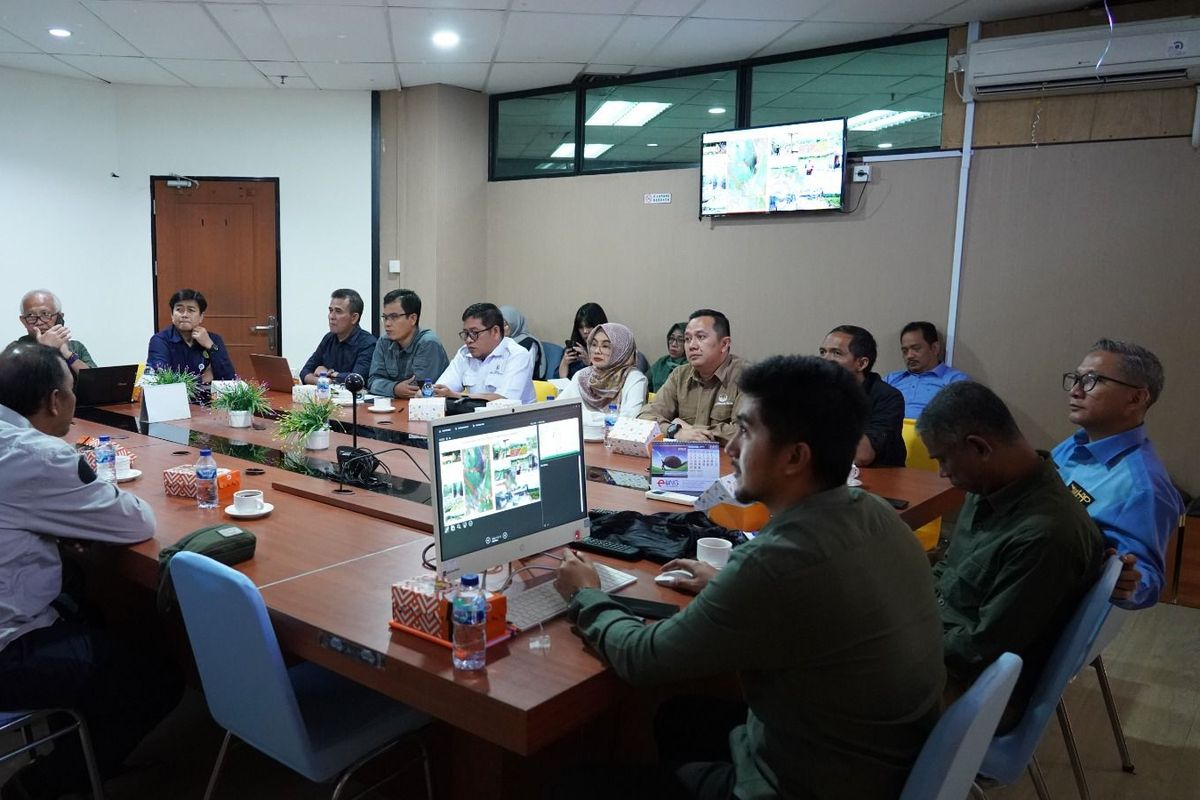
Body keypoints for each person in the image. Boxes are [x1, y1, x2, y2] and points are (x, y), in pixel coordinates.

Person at [553, 355, 945, 799]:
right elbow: (812, 602)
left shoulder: (776, 562)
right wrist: (725, 585)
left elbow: (642, 659)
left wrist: (587, 593)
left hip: (807, 782)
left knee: (570, 785)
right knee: (677, 718)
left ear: (795, 457)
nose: (732, 448)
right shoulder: (875, 514)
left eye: (746, 431)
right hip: (875, 762)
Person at [0, 342, 182, 796]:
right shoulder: (37, 455)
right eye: (71, 390)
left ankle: (80, 749)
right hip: (8, 652)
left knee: (88, 599)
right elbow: (135, 520)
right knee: (158, 678)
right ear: (56, 401)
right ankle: (43, 784)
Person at [919, 381, 1104, 727]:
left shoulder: (1047, 534)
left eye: (943, 459)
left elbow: (980, 650)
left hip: (975, 689)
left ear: (979, 448)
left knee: (819, 694)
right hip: (942, 644)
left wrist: (899, 638)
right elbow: (949, 572)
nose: (943, 473)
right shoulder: (989, 488)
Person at [1052, 339, 1185, 609]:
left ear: (1136, 398)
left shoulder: (1144, 487)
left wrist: (1127, 582)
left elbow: (1146, 578)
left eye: (1091, 380)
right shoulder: (1074, 445)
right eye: (1075, 379)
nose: (1075, 391)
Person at [639, 309, 742, 445]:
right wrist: (675, 430)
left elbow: (746, 433)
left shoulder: (747, 377)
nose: (692, 346)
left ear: (724, 344)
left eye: (701, 337)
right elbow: (645, 417)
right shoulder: (680, 374)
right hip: (684, 460)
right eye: (687, 339)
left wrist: (690, 430)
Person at [819, 324, 906, 466]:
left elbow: (862, 457)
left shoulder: (888, 397)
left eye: (836, 353)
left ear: (861, 363)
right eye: (823, 352)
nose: (825, 359)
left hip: (879, 479)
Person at [434, 302, 535, 403]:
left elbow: (504, 400)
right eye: (466, 333)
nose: (468, 340)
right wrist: (428, 392)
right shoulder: (464, 353)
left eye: (474, 333)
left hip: (513, 418)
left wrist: (456, 395)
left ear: (495, 331)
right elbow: (442, 389)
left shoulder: (517, 355)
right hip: (474, 416)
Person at [367, 289, 450, 399]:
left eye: (394, 317)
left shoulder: (428, 343)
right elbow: (373, 381)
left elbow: (418, 389)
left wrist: (387, 387)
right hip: (393, 406)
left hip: (425, 410)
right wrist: (394, 388)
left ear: (412, 319)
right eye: (385, 317)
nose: (387, 324)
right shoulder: (384, 342)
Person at [557, 323, 647, 417]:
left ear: (621, 350)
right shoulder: (583, 376)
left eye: (605, 346)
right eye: (594, 344)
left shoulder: (634, 379)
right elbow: (559, 409)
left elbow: (629, 419)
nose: (597, 351)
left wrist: (583, 417)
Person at [884, 321, 970, 419]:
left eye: (916, 349)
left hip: (929, 432)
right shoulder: (891, 380)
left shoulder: (955, 381)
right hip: (889, 431)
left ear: (934, 348)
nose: (909, 356)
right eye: (905, 351)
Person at [146, 288, 235, 381]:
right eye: (179, 309)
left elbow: (229, 380)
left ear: (201, 316)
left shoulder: (214, 339)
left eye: (191, 310)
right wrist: (202, 379)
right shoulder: (160, 340)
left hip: (209, 395)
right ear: (172, 315)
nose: (184, 315)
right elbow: (162, 380)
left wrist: (211, 347)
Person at [299, 288, 377, 385]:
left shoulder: (368, 343)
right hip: (327, 397)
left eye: (338, 311)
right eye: (331, 310)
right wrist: (324, 381)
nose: (331, 316)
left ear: (354, 318)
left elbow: (356, 380)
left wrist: (329, 374)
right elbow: (305, 372)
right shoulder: (328, 338)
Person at [14, 289, 96, 375]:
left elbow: (96, 381)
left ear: (60, 317)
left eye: (45, 314)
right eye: (30, 316)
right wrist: (45, 349)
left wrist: (67, 354)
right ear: (23, 321)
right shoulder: (16, 350)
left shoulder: (76, 347)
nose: (39, 322)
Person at [557, 302, 607, 380]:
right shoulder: (572, 350)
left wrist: (590, 363)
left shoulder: (608, 351)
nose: (585, 331)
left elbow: (609, 381)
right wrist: (564, 363)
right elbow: (558, 382)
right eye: (581, 327)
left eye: (588, 326)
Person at [498, 304, 545, 381]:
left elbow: (526, 372)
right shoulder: (499, 341)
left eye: (504, 324)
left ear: (514, 323)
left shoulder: (529, 343)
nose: (500, 329)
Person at [646, 321, 687, 393]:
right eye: (671, 338)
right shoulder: (662, 362)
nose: (674, 344)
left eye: (680, 340)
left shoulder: (690, 367)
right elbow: (645, 382)